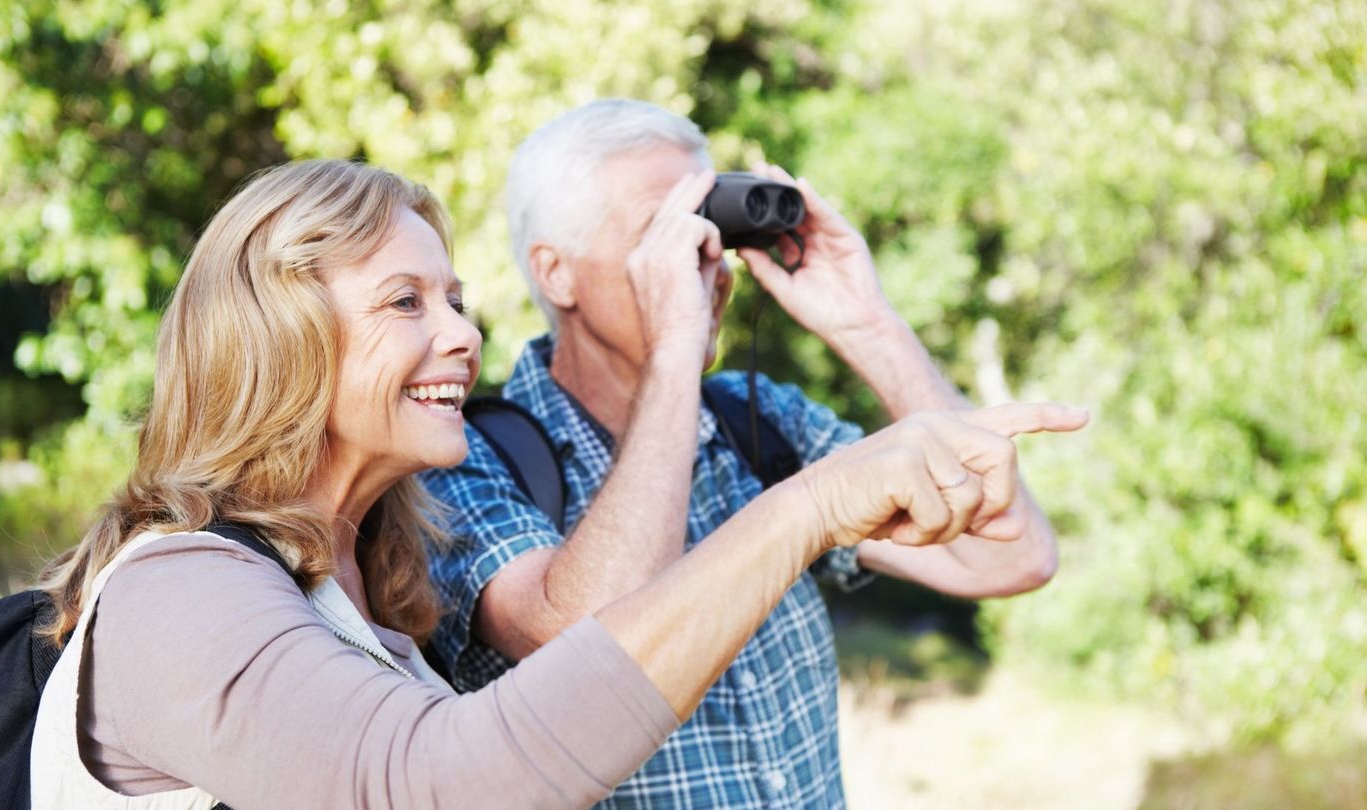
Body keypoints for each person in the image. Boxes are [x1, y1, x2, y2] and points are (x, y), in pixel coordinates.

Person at [27, 158, 1081, 810]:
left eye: (456, 298)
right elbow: (444, 779)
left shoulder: (374, 577)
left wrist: (865, 321)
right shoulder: (182, 587)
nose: (462, 333)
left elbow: (1013, 553)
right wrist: (799, 510)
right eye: (406, 302)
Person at [420, 99, 1086, 808]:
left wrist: (868, 324)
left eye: (711, 228)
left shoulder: (758, 422)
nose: (706, 262)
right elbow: (592, 650)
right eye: (666, 233)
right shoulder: (462, 457)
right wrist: (676, 343)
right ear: (556, 274)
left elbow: (1013, 556)